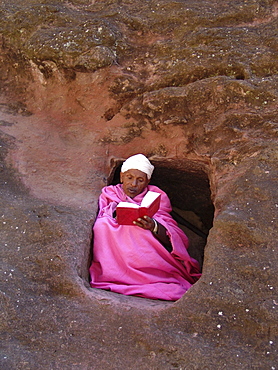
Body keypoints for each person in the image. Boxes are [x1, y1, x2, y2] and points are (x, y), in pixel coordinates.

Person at [89, 154, 201, 301]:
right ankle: (114, 274)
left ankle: (149, 277)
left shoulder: (157, 196)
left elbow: (171, 230)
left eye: (140, 180)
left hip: (148, 249)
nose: (133, 184)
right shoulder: (110, 193)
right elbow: (103, 213)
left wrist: (153, 225)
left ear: (147, 181)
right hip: (114, 244)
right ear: (122, 177)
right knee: (103, 225)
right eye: (129, 177)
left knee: (138, 228)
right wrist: (116, 213)